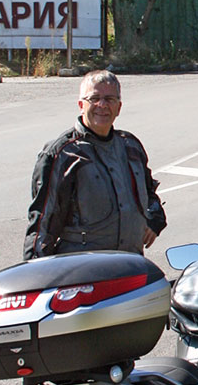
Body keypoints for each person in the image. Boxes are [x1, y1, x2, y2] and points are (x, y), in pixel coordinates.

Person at [24, 70, 166, 260]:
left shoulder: (130, 146)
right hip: (84, 271)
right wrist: (37, 272)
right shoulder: (63, 154)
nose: (102, 105)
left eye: (109, 99)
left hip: (130, 263)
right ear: (81, 105)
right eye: (94, 98)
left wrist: (154, 221)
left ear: (119, 107)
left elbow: (149, 193)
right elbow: (43, 221)